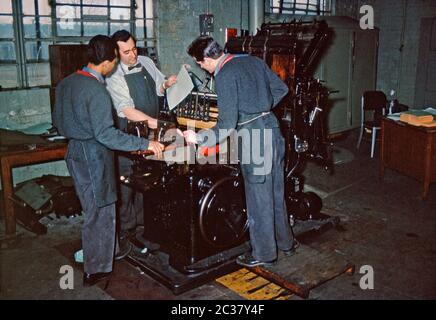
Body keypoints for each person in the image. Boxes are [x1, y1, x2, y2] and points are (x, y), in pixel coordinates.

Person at [52, 35, 164, 286]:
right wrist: (145, 144)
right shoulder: (98, 91)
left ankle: (108, 251)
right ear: (108, 62)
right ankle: (97, 269)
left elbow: (58, 121)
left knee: (95, 207)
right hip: (94, 155)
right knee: (100, 211)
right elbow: (107, 135)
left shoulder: (67, 82)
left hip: (74, 152)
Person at [183, 36, 298, 267]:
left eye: (200, 64)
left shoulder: (224, 75)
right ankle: (286, 243)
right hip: (274, 130)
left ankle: (264, 254)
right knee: (277, 191)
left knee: (258, 199)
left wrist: (198, 137)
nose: (203, 68)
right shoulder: (253, 61)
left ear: (206, 59)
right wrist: (261, 107)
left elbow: (226, 124)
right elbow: (282, 88)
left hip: (254, 137)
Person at [106, 30, 177, 243]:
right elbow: (126, 110)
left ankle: (146, 226)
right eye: (126, 52)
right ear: (116, 53)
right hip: (128, 134)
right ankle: (127, 231)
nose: (133, 55)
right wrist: (159, 124)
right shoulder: (113, 74)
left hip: (152, 132)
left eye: (134, 48)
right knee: (126, 183)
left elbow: (159, 87)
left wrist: (167, 84)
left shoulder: (145, 61)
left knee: (148, 179)